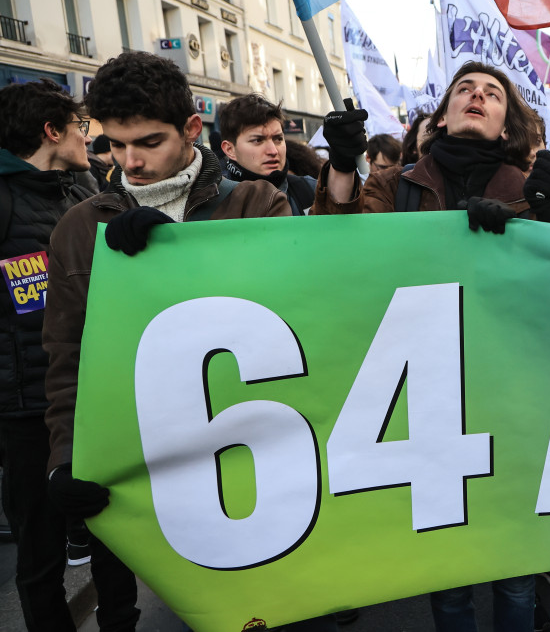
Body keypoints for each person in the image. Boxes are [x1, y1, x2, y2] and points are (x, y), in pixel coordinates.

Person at [313, 60, 550, 632]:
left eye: (492, 93)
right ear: (443, 115)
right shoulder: (395, 185)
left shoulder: (530, 189)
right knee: (449, 571)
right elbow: (339, 250)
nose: (477, 96)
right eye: (465, 89)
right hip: (425, 396)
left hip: (509, 395)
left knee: (515, 568)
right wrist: (341, 166)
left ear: (507, 124)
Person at [41, 51, 291, 632]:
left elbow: (297, 315)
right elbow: (67, 358)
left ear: (192, 129)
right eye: (116, 144)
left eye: (149, 142)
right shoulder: (79, 230)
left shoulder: (257, 204)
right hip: (138, 457)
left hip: (250, 450)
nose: (131, 161)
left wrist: (180, 261)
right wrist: (64, 461)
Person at [0, 79, 96, 632]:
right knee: (39, 553)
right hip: (27, 409)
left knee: (107, 534)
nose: (87, 136)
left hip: (91, 391)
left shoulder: (80, 194)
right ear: (51, 131)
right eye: (80, 125)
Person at [220, 93, 317, 215]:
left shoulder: (311, 190)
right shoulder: (212, 200)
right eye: (258, 140)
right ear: (230, 150)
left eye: (278, 139)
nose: (273, 151)